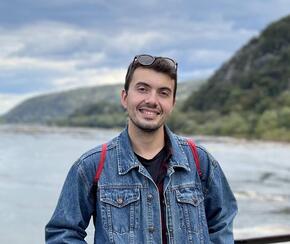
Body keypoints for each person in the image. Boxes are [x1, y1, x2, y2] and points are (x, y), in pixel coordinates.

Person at [45, 54, 238, 243]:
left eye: (163, 92)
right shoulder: (92, 166)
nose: (152, 100)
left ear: (172, 103)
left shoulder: (199, 161)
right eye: (143, 89)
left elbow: (221, 222)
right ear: (124, 97)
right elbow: (62, 234)